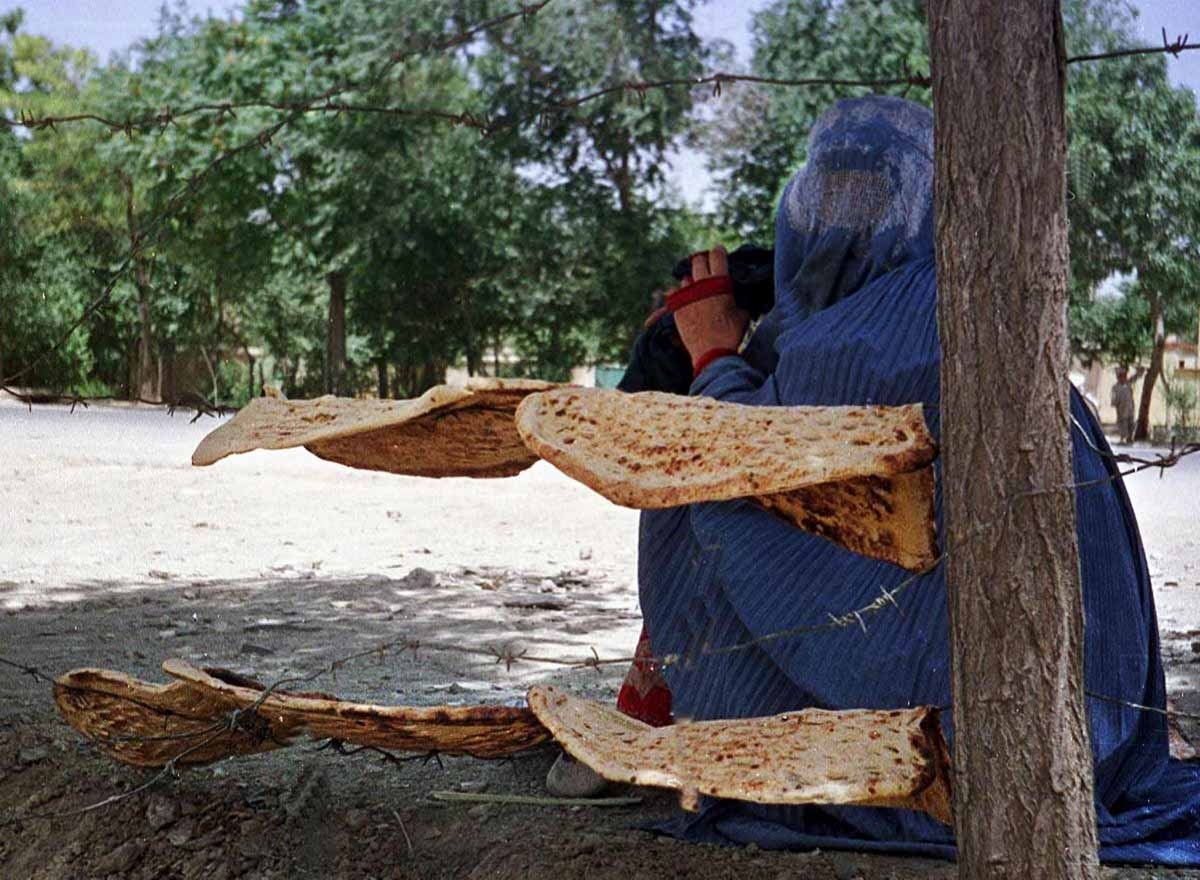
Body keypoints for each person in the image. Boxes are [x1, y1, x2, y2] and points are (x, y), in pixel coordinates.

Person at [620, 96, 1200, 864]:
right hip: (1086, 737)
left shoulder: (866, 339)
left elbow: (740, 474)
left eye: (868, 195)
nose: (836, 219)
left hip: (948, 753)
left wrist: (713, 356)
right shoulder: (970, 314)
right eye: (829, 192)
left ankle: (682, 714)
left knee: (697, 474)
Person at [1111, 366, 1142, 445]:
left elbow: (1135, 377)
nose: (1122, 377)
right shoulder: (1115, 387)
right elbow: (1113, 397)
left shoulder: (1128, 384)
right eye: (1120, 376)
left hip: (1130, 408)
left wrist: (1139, 371)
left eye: (1123, 375)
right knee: (1122, 423)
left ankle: (1130, 438)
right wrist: (1114, 402)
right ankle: (1123, 438)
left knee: (1131, 423)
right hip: (1121, 408)